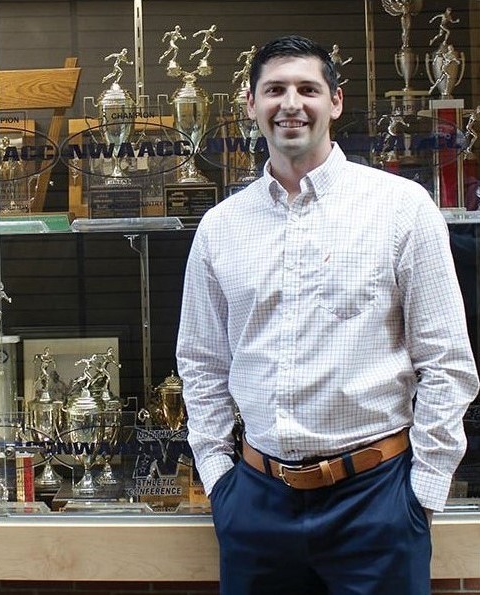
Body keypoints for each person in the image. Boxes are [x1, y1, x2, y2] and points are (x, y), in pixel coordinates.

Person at [175, 35, 479, 595]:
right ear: (251, 104)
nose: (291, 102)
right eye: (275, 90)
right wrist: (220, 481)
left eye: (307, 88)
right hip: (257, 505)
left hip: (377, 501)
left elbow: (447, 362)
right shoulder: (220, 227)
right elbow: (200, 362)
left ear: (335, 102)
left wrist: (423, 492)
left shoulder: (400, 209)